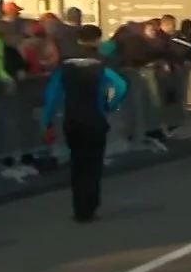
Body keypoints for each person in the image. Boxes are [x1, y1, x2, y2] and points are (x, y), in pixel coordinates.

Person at [40, 25, 128, 223]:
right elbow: (121, 86)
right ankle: (91, 207)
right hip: (95, 117)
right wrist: (109, 104)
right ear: (97, 40)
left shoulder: (65, 65)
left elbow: (52, 94)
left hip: (72, 118)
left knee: (77, 164)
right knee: (93, 165)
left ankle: (79, 209)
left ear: (78, 40)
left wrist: (47, 121)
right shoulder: (101, 63)